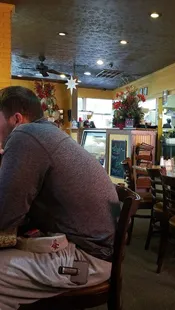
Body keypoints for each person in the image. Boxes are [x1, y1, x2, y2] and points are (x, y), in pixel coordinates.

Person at [0, 86, 119, 309]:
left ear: (16, 119)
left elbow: (4, 216)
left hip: (88, 258)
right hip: (88, 246)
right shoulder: (47, 133)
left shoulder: (24, 135)